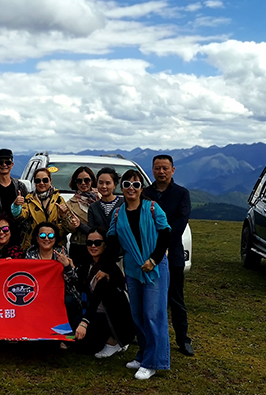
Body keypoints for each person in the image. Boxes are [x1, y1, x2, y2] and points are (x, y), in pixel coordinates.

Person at [107, 169, 171, 380]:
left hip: (155, 267)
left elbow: (165, 234)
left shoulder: (152, 208)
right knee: (138, 314)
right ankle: (144, 354)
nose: (131, 189)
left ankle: (153, 362)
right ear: (122, 187)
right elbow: (113, 240)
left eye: (135, 185)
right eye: (127, 184)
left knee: (153, 314)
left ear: (142, 188)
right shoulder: (118, 213)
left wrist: (154, 259)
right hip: (133, 268)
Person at [144, 154, 194, 356]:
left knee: (176, 299)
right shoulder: (145, 193)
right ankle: (146, 336)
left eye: (165, 168)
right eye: (157, 168)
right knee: (148, 299)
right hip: (147, 254)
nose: (161, 172)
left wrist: (163, 244)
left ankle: (183, 339)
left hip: (172, 254)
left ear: (173, 170)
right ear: (152, 170)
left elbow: (181, 222)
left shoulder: (182, 194)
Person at [73, 227, 135, 357]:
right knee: (75, 328)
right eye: (89, 243)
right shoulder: (87, 265)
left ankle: (115, 340)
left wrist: (85, 322)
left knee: (86, 347)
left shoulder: (109, 268)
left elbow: (97, 297)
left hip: (112, 315)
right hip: (95, 313)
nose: (93, 246)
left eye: (97, 243)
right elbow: (79, 287)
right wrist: (68, 267)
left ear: (105, 245)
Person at [25, 222, 81, 341]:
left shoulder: (62, 253)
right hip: (38, 295)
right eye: (42, 235)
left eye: (50, 236)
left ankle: (65, 337)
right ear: (37, 238)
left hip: (61, 294)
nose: (46, 239)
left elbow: (74, 280)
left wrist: (67, 266)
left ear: (55, 239)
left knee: (69, 301)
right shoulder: (30, 254)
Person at [11, 168, 78, 251]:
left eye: (45, 180)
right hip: (33, 247)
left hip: (56, 247)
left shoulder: (59, 200)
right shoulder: (28, 200)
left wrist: (64, 216)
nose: (41, 183)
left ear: (50, 180)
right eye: (38, 181)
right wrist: (16, 206)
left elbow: (70, 228)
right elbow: (20, 216)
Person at [60, 166, 100, 269]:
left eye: (87, 180)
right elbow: (71, 229)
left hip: (100, 246)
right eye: (79, 181)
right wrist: (64, 216)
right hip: (80, 247)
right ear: (75, 183)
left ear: (92, 181)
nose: (83, 183)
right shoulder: (70, 204)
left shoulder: (101, 199)